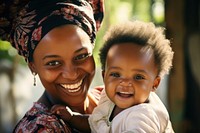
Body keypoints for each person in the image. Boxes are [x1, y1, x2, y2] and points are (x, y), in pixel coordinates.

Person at [51, 20, 175, 133]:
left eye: (138, 77)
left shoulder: (144, 117)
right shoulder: (109, 99)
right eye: (116, 74)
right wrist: (73, 118)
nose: (125, 83)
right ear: (105, 76)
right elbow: (96, 125)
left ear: (155, 83)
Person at [2, 0, 104, 132]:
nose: (71, 74)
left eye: (81, 56)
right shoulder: (42, 128)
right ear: (33, 66)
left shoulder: (111, 97)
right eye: (53, 63)